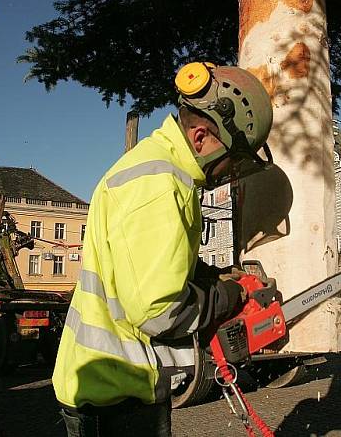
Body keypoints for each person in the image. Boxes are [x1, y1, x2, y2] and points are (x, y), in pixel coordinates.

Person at [52, 62, 274, 436]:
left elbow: (142, 264)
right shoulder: (161, 186)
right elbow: (158, 310)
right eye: (234, 159)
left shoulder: (159, 170)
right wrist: (230, 295)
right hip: (115, 388)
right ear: (202, 136)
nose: (230, 171)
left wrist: (209, 274)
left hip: (112, 380)